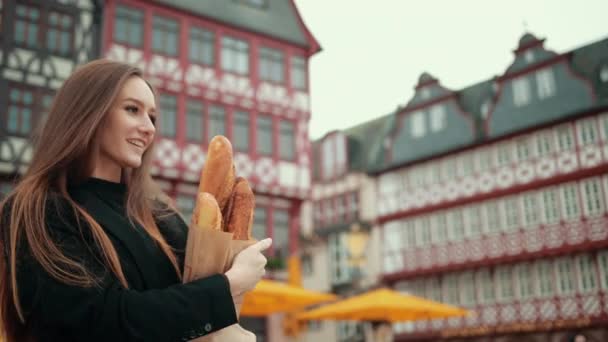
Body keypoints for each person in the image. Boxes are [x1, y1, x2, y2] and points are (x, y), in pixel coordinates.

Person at [0, 59, 271, 341]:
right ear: (88, 113)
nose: (149, 128)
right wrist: (230, 284)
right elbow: (102, 319)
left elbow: (192, 299)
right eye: (133, 110)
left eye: (152, 117)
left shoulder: (161, 217)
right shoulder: (37, 209)